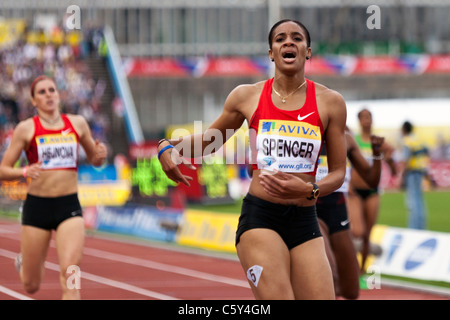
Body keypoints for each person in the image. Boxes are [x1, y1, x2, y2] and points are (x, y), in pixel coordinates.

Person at [158, 19, 347, 300]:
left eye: (297, 38)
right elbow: (209, 142)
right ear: (271, 52)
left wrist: (310, 189)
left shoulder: (330, 102)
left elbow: (339, 173)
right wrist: (167, 147)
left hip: (306, 219)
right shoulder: (247, 96)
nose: (288, 42)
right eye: (280, 38)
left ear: (308, 51)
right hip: (261, 218)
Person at [0, 75, 107, 299]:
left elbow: (95, 159)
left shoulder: (77, 123)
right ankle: (25, 262)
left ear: (59, 95)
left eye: (52, 90)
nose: (48, 94)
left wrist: (100, 155)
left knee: (71, 274)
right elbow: (3, 170)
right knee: (31, 285)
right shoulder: (26, 129)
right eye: (42, 92)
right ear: (33, 100)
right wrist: (24, 171)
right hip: (37, 207)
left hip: (69, 206)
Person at [314, 128, 384, 299]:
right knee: (331, 276)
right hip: (310, 210)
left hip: (338, 211)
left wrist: (376, 155)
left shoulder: (347, 140)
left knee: (351, 290)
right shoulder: (301, 135)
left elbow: (372, 179)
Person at [347, 108, 396, 274]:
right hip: (355, 191)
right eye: (363, 117)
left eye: (369, 117)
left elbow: (394, 169)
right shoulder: (354, 140)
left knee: (367, 233)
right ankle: (350, 264)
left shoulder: (379, 142)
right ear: (359, 121)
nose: (366, 120)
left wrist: (388, 158)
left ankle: (361, 270)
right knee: (357, 231)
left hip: (373, 191)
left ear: (372, 120)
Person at [400, 121, 429, 229]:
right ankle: (421, 226)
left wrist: (402, 174)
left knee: (413, 201)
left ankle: (413, 227)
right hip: (420, 170)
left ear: (404, 129)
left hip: (411, 171)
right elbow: (426, 152)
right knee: (419, 200)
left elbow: (406, 159)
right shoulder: (418, 139)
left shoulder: (407, 141)